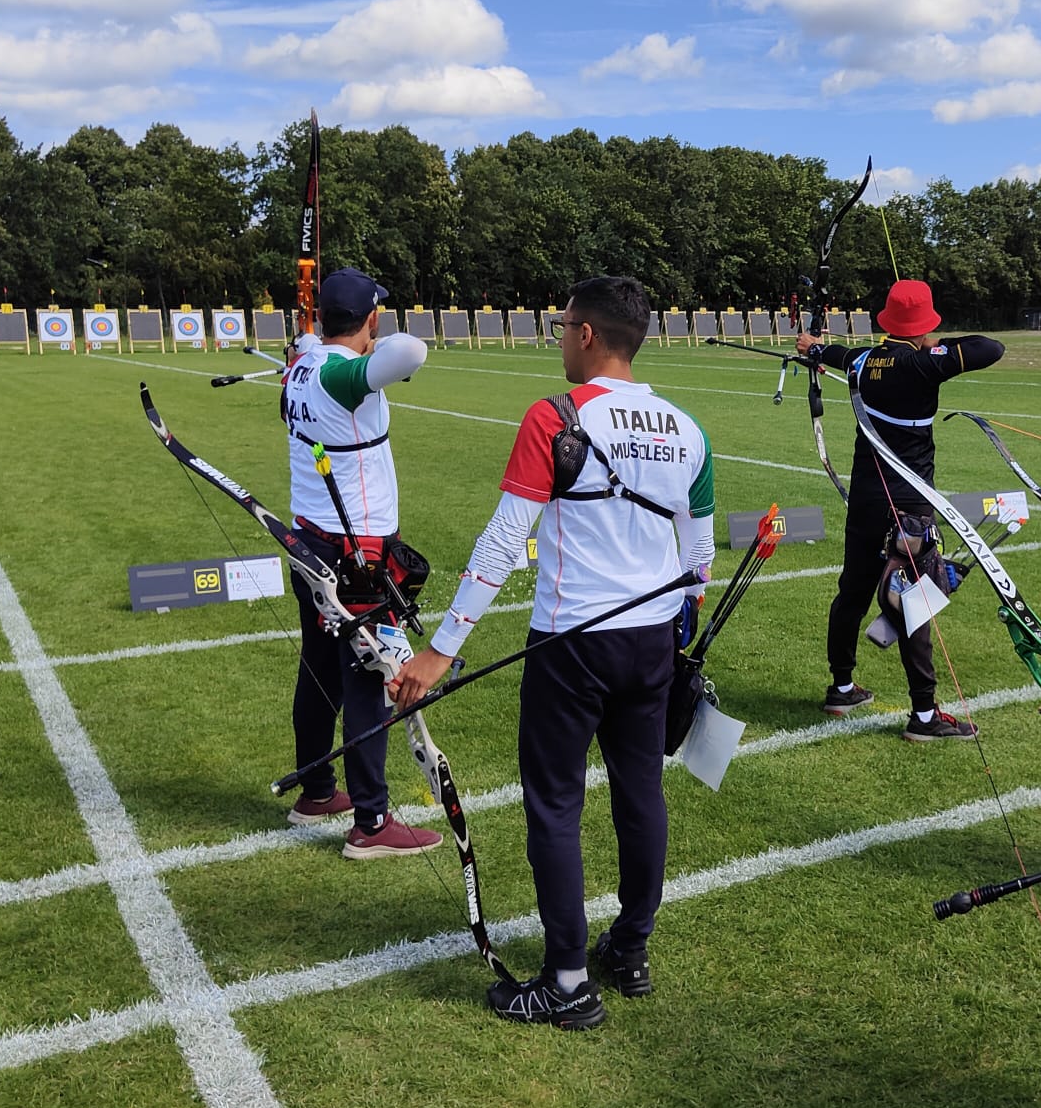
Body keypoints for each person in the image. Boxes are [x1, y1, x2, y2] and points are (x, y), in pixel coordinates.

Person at [390, 277, 715, 1029]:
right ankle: (629, 948)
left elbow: (506, 540)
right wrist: (677, 625)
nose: (560, 335)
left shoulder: (555, 416)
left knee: (556, 805)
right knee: (641, 792)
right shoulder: (687, 428)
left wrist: (439, 652)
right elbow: (697, 557)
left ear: (591, 336)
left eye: (564, 324)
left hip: (573, 643)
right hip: (651, 642)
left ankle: (568, 982)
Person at [795, 278, 1003, 741]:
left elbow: (833, 354)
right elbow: (991, 346)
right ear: (924, 325)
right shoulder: (923, 364)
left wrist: (813, 348)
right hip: (908, 503)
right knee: (913, 601)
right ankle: (925, 717)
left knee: (853, 588)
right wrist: (934, 347)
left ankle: (842, 686)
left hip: (868, 498)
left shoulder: (865, 359)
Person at [280, 266, 441, 859]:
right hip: (356, 559)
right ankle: (373, 822)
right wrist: (350, 352)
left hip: (311, 545)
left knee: (319, 668)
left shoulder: (303, 367)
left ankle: (317, 790)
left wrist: (308, 344)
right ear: (370, 319)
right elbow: (412, 350)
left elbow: (320, 357)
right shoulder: (343, 376)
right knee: (370, 678)